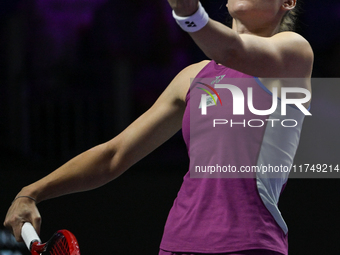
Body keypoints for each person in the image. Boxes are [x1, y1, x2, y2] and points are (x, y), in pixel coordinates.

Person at [4, 0, 313, 254]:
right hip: (177, 242)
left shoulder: (293, 53)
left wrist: (188, 13)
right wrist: (31, 193)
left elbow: (232, 51)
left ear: (287, 2)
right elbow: (115, 155)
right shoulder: (193, 77)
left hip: (249, 243)